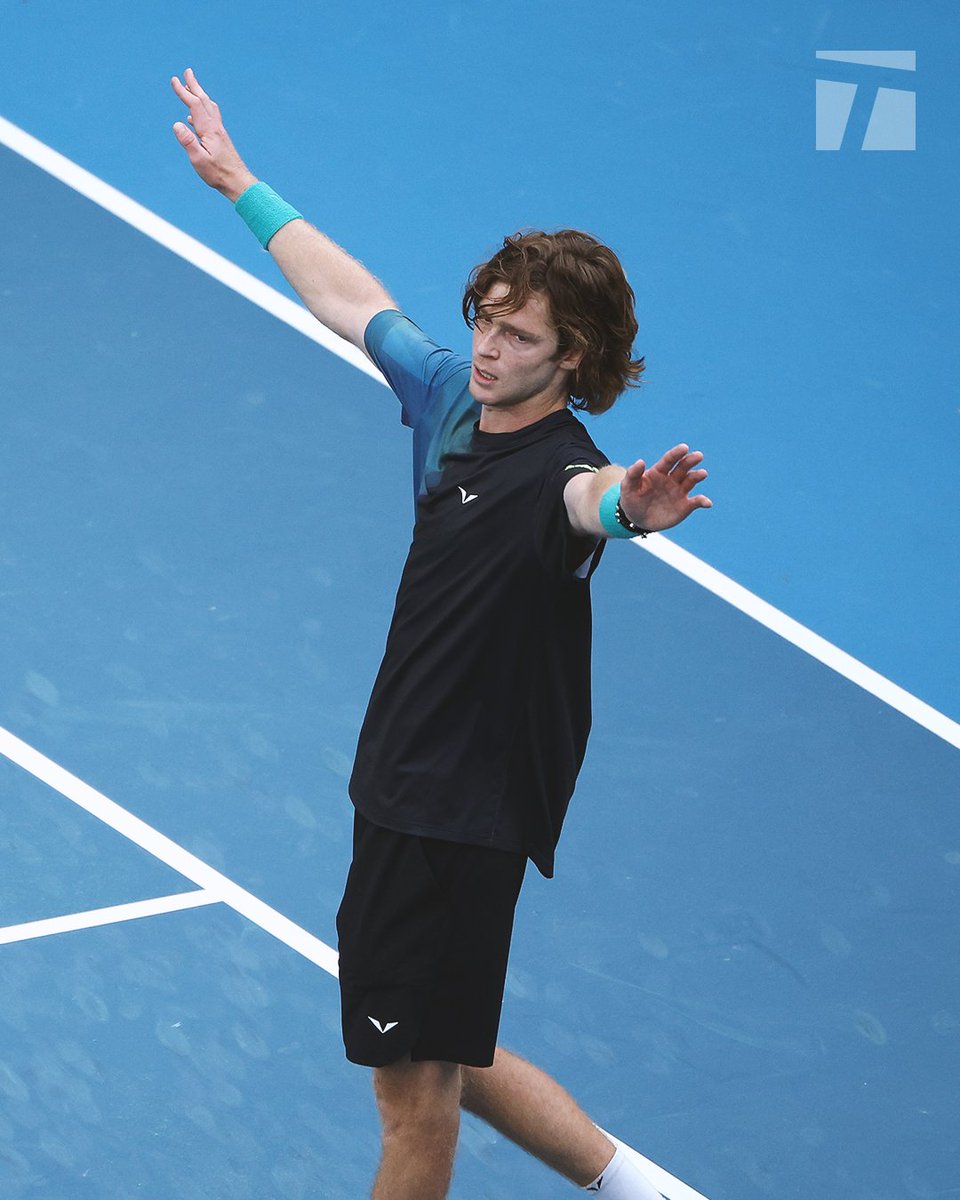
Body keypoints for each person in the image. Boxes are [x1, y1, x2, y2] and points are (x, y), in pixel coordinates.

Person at [172, 67, 711, 1200]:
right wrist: (240, 186)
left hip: (459, 813)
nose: (490, 347)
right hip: (405, 787)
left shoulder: (563, 471)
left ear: (575, 360)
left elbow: (593, 503)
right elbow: (348, 298)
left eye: (520, 337)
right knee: (444, 1046)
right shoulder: (451, 404)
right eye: (487, 321)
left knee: (410, 1100)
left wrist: (635, 512)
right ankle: (641, 1190)